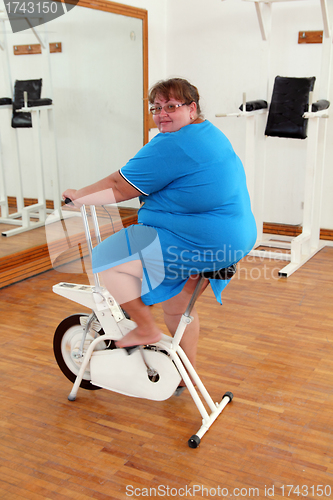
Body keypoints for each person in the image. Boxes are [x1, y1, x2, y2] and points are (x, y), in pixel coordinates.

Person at [62, 77, 257, 377]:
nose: (162, 113)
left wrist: (79, 197)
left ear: (192, 109)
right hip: (231, 239)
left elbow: (119, 186)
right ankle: (184, 375)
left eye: (171, 106)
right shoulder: (208, 133)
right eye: (156, 107)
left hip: (200, 240)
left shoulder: (174, 143)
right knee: (177, 309)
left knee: (105, 262)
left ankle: (144, 328)